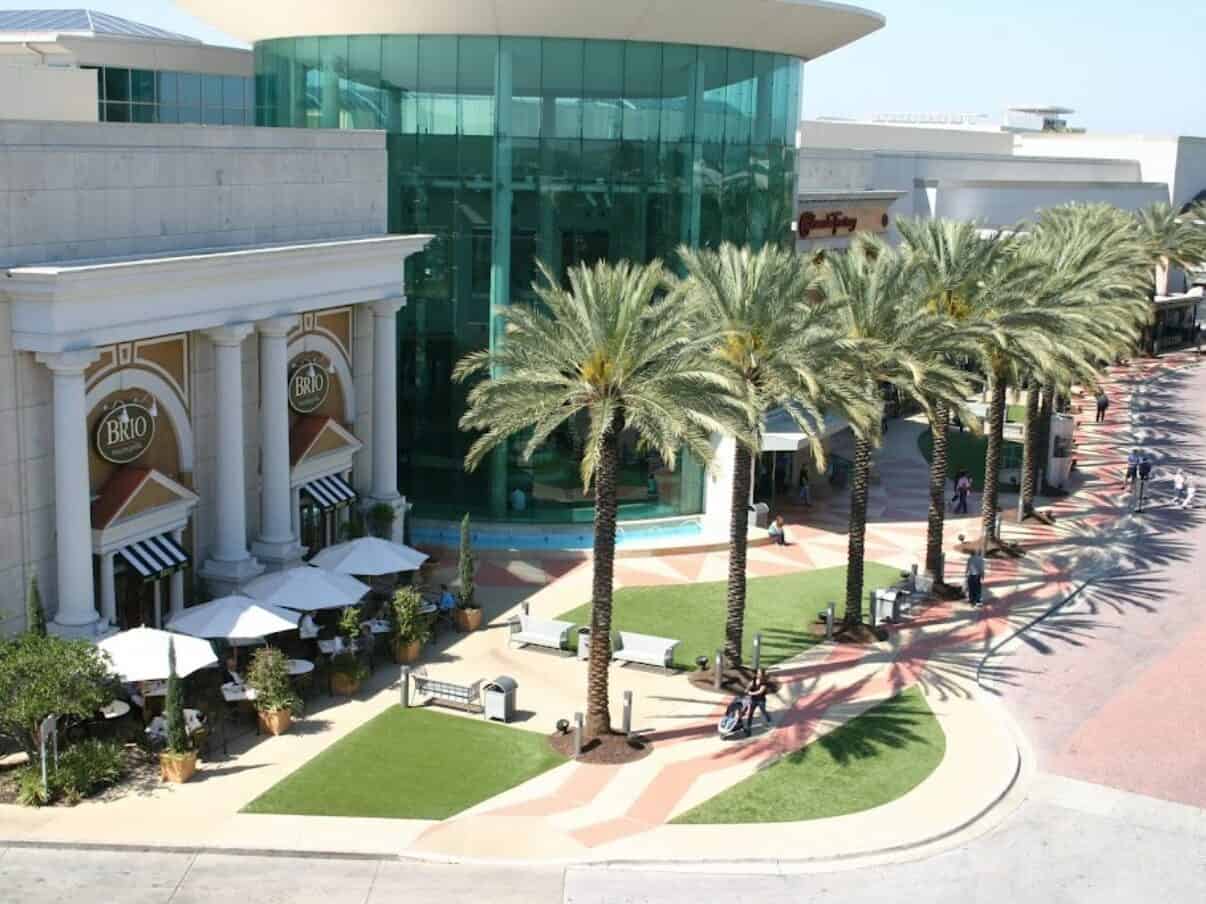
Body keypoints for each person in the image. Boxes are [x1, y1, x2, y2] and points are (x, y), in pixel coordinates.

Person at [744, 668, 773, 737]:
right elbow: (749, 686)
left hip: (761, 700)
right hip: (753, 700)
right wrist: (747, 689)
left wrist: (750, 693)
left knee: (763, 711)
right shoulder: (753, 680)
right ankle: (748, 727)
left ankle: (769, 720)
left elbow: (760, 692)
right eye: (758, 673)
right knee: (750, 713)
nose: (759, 675)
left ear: (762, 674)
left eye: (760, 673)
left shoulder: (764, 683)